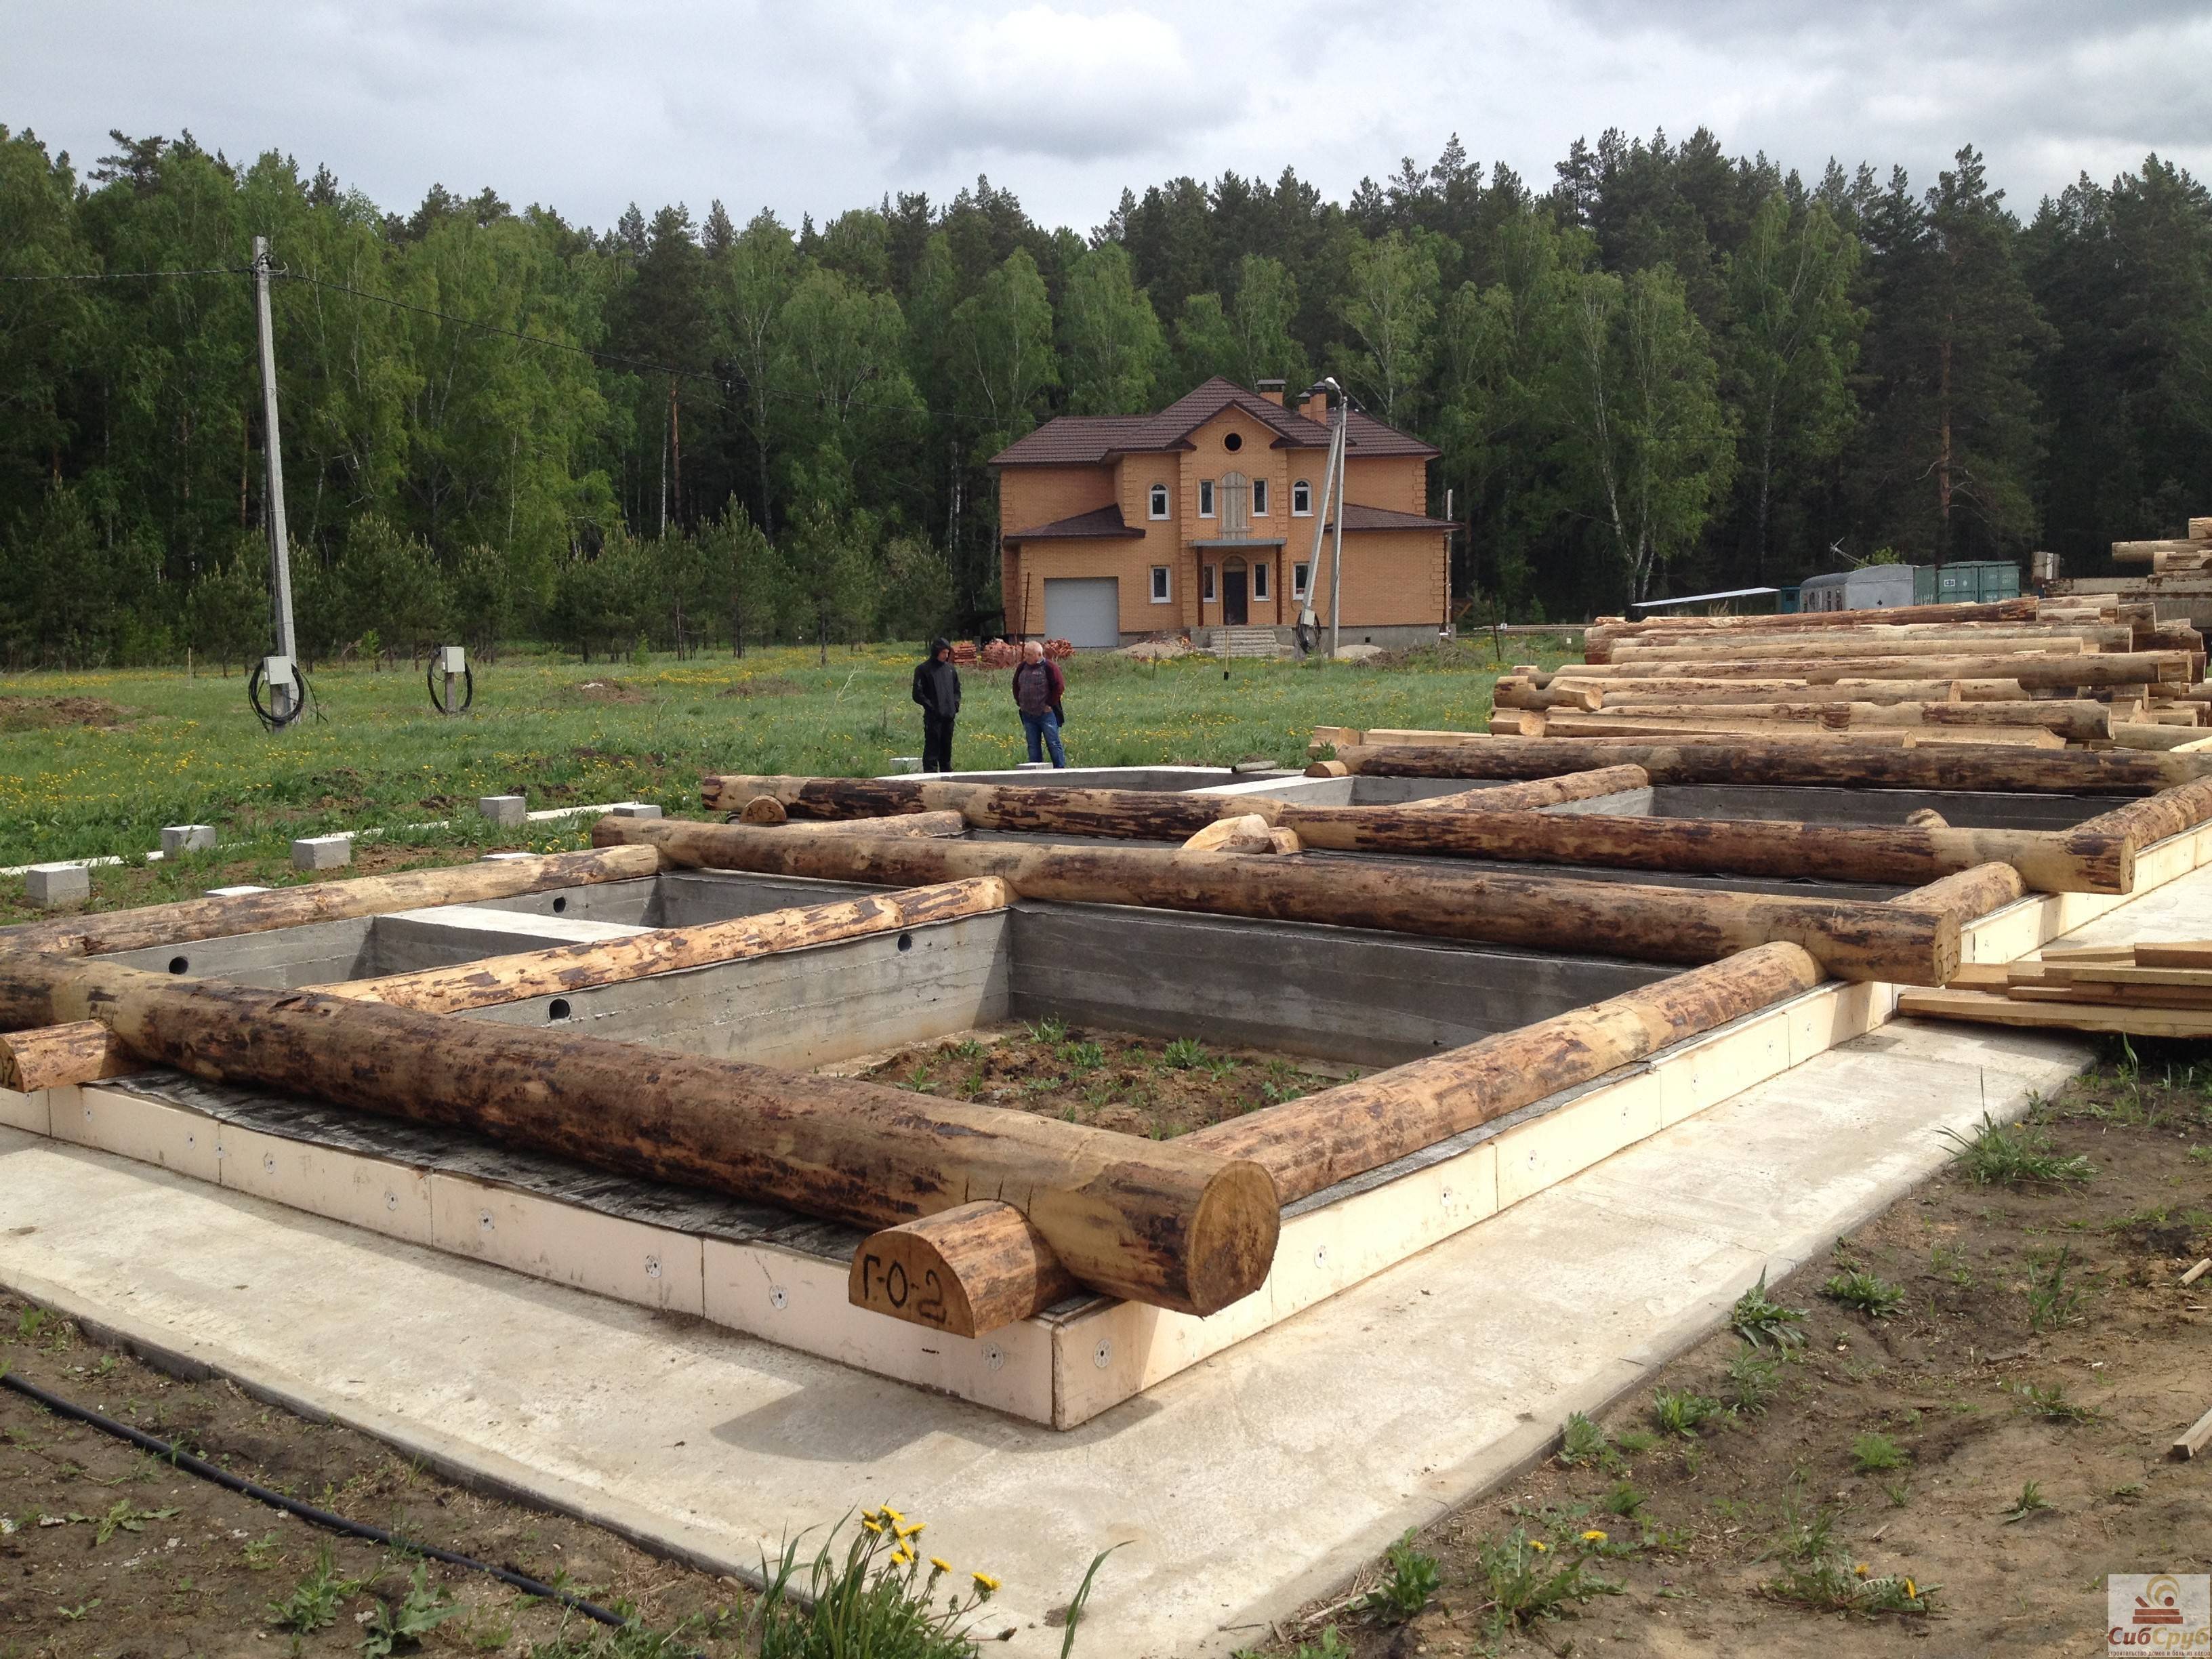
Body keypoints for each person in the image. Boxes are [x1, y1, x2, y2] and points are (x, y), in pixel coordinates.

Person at [1012, 640, 1067, 767]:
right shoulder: (1022, 667)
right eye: (1025, 654)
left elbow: (1059, 686)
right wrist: (1019, 702)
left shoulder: (1049, 667)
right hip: (1028, 715)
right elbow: (1015, 685)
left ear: (1039, 655)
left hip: (1046, 714)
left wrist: (1049, 704)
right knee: (1033, 746)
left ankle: (1060, 771)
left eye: (1030, 655)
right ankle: (1036, 775)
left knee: (1053, 743)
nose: (1026, 657)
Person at [911, 637, 961, 773]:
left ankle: (948, 778)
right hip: (934, 718)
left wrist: (955, 705)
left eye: (947, 653)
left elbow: (957, 689)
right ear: (936, 652)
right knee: (932, 751)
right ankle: (930, 778)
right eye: (943, 653)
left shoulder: (950, 669)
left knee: (946, 751)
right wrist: (931, 707)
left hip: (949, 716)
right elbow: (917, 693)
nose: (946, 656)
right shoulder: (923, 669)